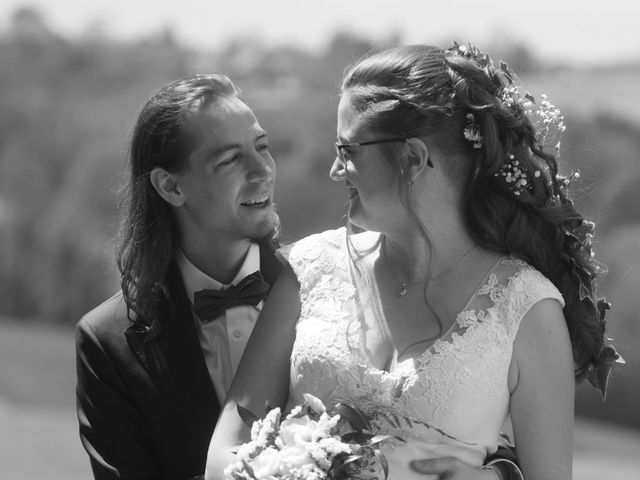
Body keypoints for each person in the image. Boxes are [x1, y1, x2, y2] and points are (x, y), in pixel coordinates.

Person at [205, 43, 620, 480]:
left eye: (347, 150)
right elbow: (224, 452)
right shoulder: (308, 270)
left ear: (414, 159)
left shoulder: (527, 308)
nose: (334, 170)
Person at [75, 73, 285, 480]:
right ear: (171, 186)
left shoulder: (328, 292)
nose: (263, 171)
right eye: (230, 159)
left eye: (262, 147)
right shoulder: (107, 342)